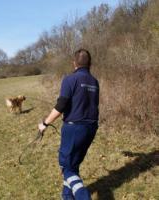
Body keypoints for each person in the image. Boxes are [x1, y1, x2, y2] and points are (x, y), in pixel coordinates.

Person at [38, 49, 99, 200]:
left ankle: (83, 197)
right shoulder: (95, 82)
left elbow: (61, 105)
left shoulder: (70, 79)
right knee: (73, 164)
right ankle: (67, 196)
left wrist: (44, 123)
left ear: (74, 63)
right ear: (89, 64)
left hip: (74, 128)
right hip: (91, 128)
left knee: (67, 167)